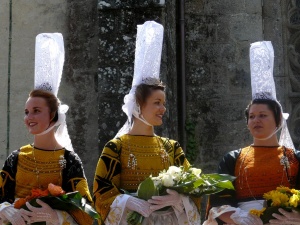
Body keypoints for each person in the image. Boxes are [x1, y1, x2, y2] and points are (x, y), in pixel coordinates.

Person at [93, 21, 201, 225]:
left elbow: (194, 188)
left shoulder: (172, 148)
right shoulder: (116, 148)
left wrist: (179, 200)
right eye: (157, 103)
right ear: (138, 106)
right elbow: (101, 192)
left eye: (164, 103)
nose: (163, 109)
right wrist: (127, 202)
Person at [0, 33, 94, 225]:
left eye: (36, 111)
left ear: (53, 115)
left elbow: (88, 213)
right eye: (26, 112)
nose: (29, 118)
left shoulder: (69, 160)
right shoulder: (16, 158)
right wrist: (5, 210)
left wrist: (59, 217)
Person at [204, 41, 300, 225]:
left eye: (263, 115)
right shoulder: (232, 159)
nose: (256, 120)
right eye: (252, 116)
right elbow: (217, 204)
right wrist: (241, 220)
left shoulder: (295, 158)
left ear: (278, 120)